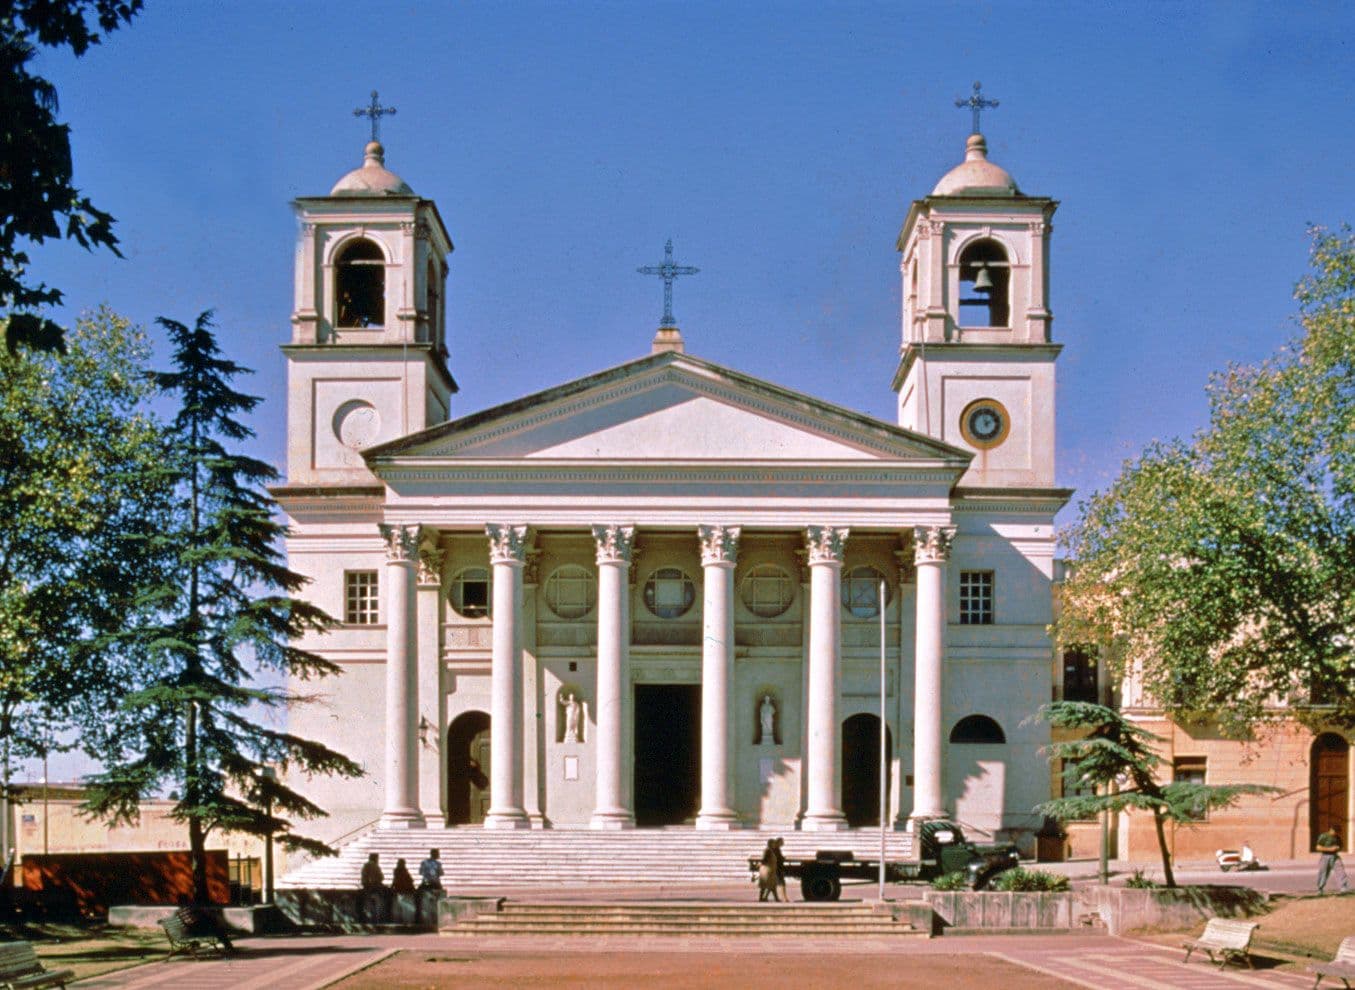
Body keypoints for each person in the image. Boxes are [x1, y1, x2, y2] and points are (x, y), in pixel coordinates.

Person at [1316, 823, 1350, 894]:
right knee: (1323, 872)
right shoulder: (1324, 836)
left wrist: (1338, 848)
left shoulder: (1337, 837)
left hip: (1335, 856)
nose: (1336, 833)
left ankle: (1343, 887)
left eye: (1337, 832)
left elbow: (1340, 846)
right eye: (1335, 831)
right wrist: (1329, 849)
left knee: (1340, 871)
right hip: (1325, 856)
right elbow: (1318, 847)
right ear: (1331, 830)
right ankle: (1320, 888)